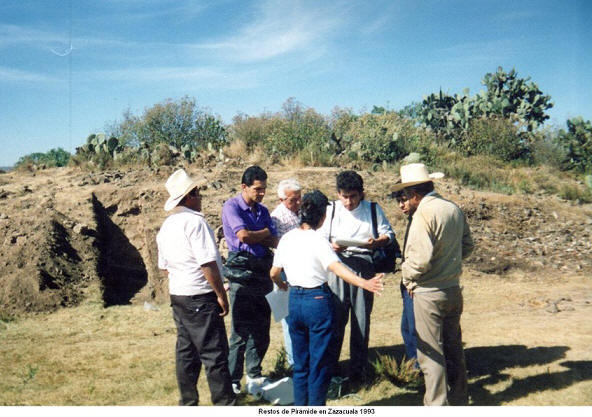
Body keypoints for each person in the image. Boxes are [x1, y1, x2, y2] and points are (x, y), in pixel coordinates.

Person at [270, 190, 384, 405]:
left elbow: (274, 273)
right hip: (317, 302)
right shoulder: (318, 240)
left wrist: (284, 287)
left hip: (294, 300)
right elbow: (338, 269)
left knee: (301, 363)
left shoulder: (286, 238)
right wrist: (365, 283)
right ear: (323, 217)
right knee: (319, 363)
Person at [392, 163, 474, 406]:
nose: (403, 201)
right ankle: (459, 399)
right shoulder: (452, 209)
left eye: (405, 196)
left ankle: (436, 405)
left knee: (430, 355)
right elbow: (467, 246)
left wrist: (406, 276)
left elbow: (419, 260)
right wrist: (448, 262)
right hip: (452, 289)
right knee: (453, 349)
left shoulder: (423, 215)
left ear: (415, 194)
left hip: (428, 293)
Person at [156, 169, 235, 406]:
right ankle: (225, 404)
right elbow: (207, 263)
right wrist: (220, 294)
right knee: (215, 353)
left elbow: (165, 267)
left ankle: (188, 403)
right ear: (190, 196)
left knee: (187, 352)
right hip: (200, 296)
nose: (201, 198)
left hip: (179, 294)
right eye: (198, 193)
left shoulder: (167, 226)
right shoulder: (195, 223)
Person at [318, 170, 396, 382]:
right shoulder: (331, 209)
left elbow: (388, 234)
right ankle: (332, 368)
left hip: (364, 266)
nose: (349, 202)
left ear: (361, 194)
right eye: (344, 196)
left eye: (353, 196)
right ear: (338, 194)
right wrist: (332, 245)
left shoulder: (372, 209)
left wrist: (377, 242)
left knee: (361, 320)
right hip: (338, 267)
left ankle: (358, 370)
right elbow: (320, 236)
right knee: (336, 320)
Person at [221, 165, 279, 395]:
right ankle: (233, 379)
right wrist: (262, 234)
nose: (262, 193)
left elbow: (273, 241)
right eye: (257, 189)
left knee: (262, 328)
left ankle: (254, 375)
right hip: (241, 273)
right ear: (244, 187)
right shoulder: (231, 207)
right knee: (240, 330)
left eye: (264, 189)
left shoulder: (262, 211)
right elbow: (242, 236)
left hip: (262, 271)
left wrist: (260, 236)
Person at [270, 178, 302, 368]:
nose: (297, 203)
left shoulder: (300, 213)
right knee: (289, 320)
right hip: (284, 273)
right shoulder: (277, 218)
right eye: (292, 200)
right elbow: (281, 248)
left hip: (301, 271)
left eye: (299, 198)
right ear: (281, 199)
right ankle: (293, 363)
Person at [393, 183, 418, 365]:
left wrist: (412, 281)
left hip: (415, 283)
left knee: (416, 328)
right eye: (398, 201)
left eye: (404, 200)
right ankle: (413, 364)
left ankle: (420, 366)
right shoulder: (412, 219)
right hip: (407, 281)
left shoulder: (421, 220)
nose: (401, 205)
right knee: (407, 327)